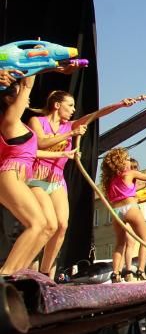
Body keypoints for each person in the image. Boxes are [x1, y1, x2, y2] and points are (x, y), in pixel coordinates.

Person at [28, 91, 138, 278]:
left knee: (62, 226)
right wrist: (71, 134)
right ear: (56, 105)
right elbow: (41, 143)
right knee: (49, 225)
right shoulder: (37, 122)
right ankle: (29, 267)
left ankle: (45, 272)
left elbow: (96, 115)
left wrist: (121, 104)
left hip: (56, 180)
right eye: (70, 105)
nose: (73, 110)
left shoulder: (70, 125)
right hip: (37, 178)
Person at [0, 75, 76, 274]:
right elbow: (26, 85)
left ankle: (19, 273)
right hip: (11, 173)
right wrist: (39, 62)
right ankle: (6, 274)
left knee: (48, 227)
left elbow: (33, 151)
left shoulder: (21, 127)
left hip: (19, 175)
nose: (27, 98)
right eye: (20, 95)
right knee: (37, 224)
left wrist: (62, 153)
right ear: (9, 99)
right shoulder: (10, 120)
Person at [99, 148, 146, 282]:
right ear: (121, 162)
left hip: (117, 212)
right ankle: (141, 270)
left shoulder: (110, 180)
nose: (129, 161)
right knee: (144, 240)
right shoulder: (130, 173)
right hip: (131, 208)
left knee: (119, 244)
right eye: (127, 159)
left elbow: (135, 188)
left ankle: (115, 273)